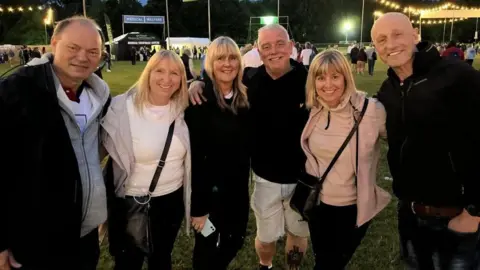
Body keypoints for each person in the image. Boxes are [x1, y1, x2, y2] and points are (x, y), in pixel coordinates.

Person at [189, 24, 309, 270]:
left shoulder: (309, 79)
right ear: (258, 50)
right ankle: (265, 265)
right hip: (264, 179)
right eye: (266, 46)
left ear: (290, 46)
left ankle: (293, 268)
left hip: (303, 178)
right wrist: (197, 83)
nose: (273, 51)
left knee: (297, 234)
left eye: (279, 44)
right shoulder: (250, 80)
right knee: (264, 238)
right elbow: (218, 75)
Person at [0, 16, 110, 270]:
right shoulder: (15, 92)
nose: (83, 57)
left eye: (93, 51)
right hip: (35, 239)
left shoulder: (99, 96)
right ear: (54, 43)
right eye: (74, 48)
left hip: (85, 233)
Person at [372, 12, 480, 269]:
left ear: (415, 35)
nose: (390, 44)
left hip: (457, 217)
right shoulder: (388, 90)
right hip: (410, 215)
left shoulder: (457, 76)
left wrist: (475, 211)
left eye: (397, 34)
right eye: (382, 39)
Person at [301, 49, 391, 269]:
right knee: (323, 259)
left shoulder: (370, 111)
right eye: (320, 78)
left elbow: (404, 143)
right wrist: (200, 83)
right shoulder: (314, 109)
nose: (328, 85)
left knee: (331, 263)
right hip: (317, 204)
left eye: (335, 76)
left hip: (352, 208)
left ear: (346, 77)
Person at [102, 50, 191, 270]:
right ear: (148, 73)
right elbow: (96, 152)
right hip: (130, 201)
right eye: (159, 71)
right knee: (128, 261)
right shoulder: (121, 107)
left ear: (182, 78)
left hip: (171, 200)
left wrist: (197, 85)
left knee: (161, 257)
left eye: (174, 73)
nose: (166, 79)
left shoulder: (185, 108)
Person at [185, 36, 250, 270]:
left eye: (233, 57)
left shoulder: (245, 97)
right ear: (210, 63)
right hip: (209, 199)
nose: (227, 63)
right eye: (220, 58)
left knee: (235, 241)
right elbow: (196, 159)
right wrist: (199, 209)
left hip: (238, 194)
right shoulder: (199, 101)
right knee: (206, 248)